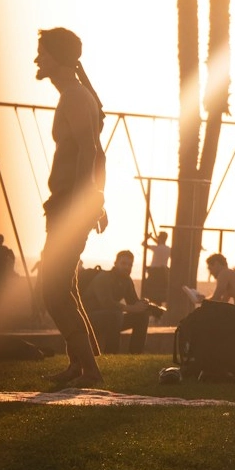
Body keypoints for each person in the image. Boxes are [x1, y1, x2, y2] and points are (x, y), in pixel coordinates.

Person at [34, 27, 107, 388]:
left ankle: (90, 371)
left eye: (43, 52)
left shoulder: (76, 97)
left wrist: (82, 203)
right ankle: (78, 366)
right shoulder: (73, 96)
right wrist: (99, 197)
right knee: (66, 287)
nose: (37, 59)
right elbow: (98, 153)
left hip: (69, 205)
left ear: (59, 58)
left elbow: (91, 150)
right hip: (66, 203)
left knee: (53, 289)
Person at [84, 249, 151, 354]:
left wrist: (144, 305)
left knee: (142, 315)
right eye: (123, 263)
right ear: (115, 263)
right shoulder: (103, 277)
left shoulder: (127, 280)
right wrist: (133, 308)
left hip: (111, 318)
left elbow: (133, 302)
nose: (127, 267)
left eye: (130, 265)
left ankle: (136, 354)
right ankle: (111, 354)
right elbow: (107, 303)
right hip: (88, 319)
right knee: (116, 315)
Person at [142, 230, 170, 304]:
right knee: (160, 293)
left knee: (149, 291)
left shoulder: (156, 248)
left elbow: (143, 244)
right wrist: (152, 237)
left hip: (154, 272)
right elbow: (159, 243)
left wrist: (147, 238)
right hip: (163, 272)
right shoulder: (168, 249)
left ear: (160, 238)